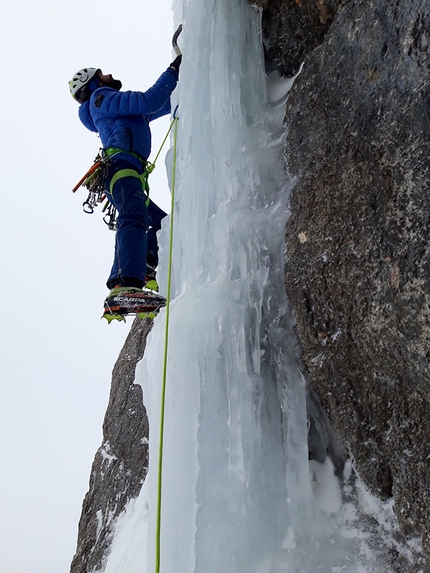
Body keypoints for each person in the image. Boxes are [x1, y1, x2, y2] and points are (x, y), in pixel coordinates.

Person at [69, 57, 181, 316]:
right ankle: (124, 284)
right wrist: (173, 70)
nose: (108, 75)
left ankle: (145, 265)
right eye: (102, 74)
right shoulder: (102, 98)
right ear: (94, 81)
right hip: (121, 169)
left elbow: (158, 107)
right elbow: (149, 100)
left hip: (124, 172)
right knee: (133, 216)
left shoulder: (113, 110)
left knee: (162, 223)